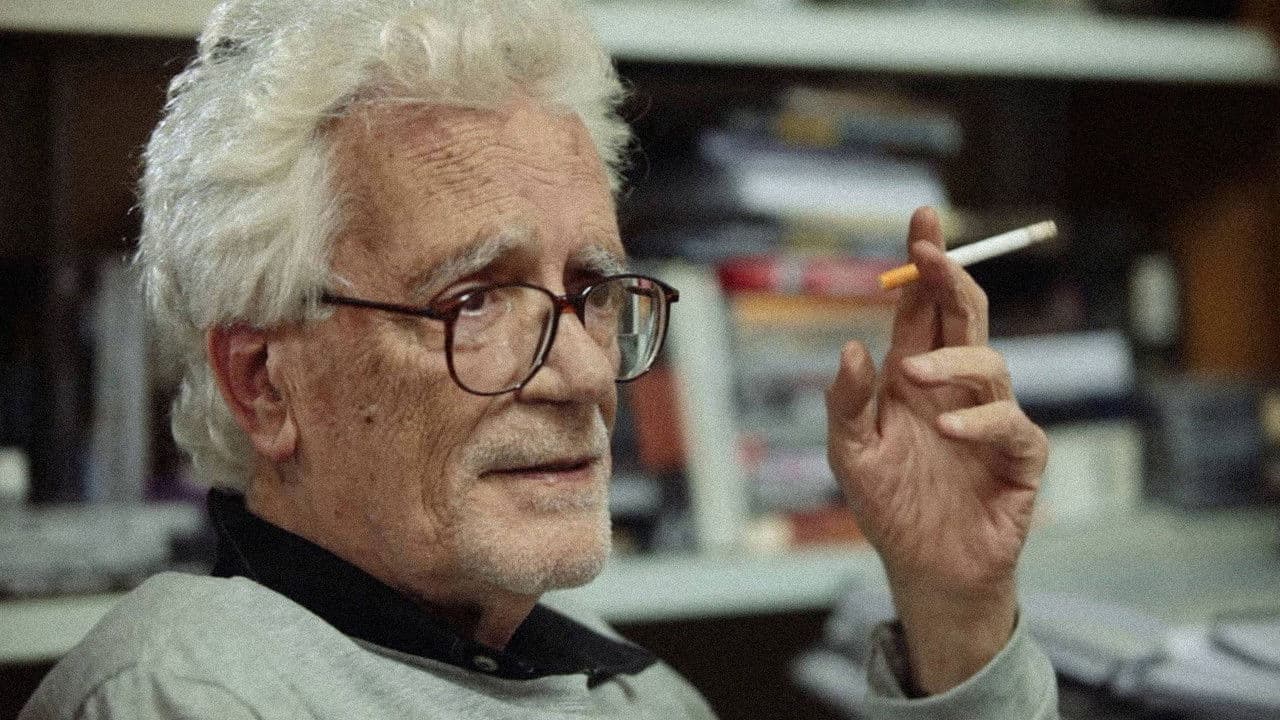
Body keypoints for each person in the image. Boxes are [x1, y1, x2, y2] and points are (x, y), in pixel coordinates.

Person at [21, 0, 1058, 717]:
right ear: (264, 383)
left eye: (593, 290)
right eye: (475, 300)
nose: (582, 377)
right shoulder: (186, 696)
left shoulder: (649, 701)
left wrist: (952, 611)